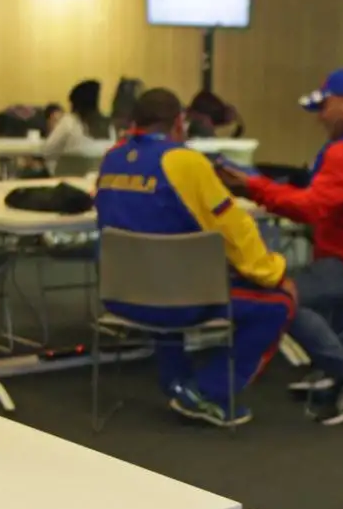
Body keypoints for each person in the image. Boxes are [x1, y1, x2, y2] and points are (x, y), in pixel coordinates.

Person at [217, 70, 343, 425]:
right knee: (306, 280)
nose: (320, 117)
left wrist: (255, 187)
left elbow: (311, 207)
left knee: (278, 295)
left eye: (325, 106)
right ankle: (338, 368)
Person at [93, 87, 295, 428]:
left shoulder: (112, 159)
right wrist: (272, 274)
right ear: (178, 123)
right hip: (175, 302)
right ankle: (208, 392)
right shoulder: (185, 162)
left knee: (160, 270)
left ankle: (175, 379)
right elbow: (234, 229)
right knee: (280, 303)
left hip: (119, 296)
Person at [42, 79, 113, 162]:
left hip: (68, 174)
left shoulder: (69, 122)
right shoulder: (109, 126)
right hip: (100, 174)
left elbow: (47, 151)